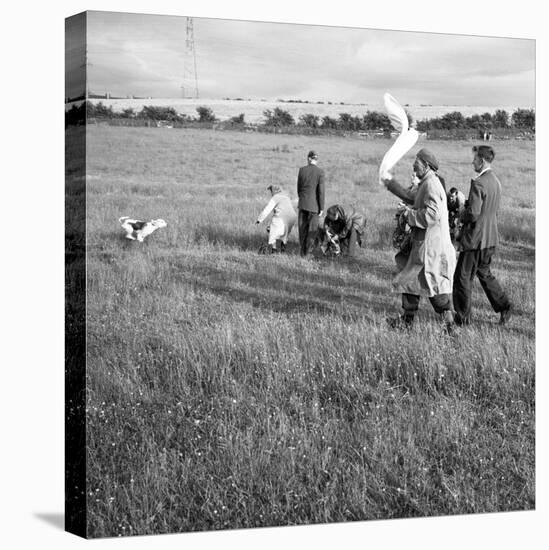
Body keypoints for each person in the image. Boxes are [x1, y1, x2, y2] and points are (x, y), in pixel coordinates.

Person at [382, 148, 456, 331]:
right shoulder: (427, 182)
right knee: (410, 281)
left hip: (431, 248)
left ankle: (450, 325)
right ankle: (406, 322)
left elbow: (432, 215)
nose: (414, 168)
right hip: (424, 246)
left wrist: (409, 214)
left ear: (427, 166)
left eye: (417, 164)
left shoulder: (431, 184)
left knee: (433, 287)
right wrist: (389, 182)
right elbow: (412, 197)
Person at [453, 145, 512, 325]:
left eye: (475, 159)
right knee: (485, 274)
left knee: (462, 278)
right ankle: (505, 307)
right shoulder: (495, 180)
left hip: (475, 240)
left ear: (482, 160)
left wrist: (462, 209)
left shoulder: (479, 182)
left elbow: (473, 213)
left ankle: (463, 319)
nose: (473, 161)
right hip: (491, 238)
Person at [297, 150, 325, 257]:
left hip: (303, 204)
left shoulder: (302, 170)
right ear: (316, 159)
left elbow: (299, 188)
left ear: (309, 158)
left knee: (302, 229)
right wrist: (321, 207)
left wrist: (302, 199)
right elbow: (321, 192)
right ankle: (308, 253)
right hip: (314, 207)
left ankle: (302, 252)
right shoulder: (320, 172)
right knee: (312, 231)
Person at [255, 184, 297, 253]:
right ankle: (283, 250)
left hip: (282, 216)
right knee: (285, 234)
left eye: (271, 191)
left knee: (271, 231)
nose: (271, 193)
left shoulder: (275, 197)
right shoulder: (286, 197)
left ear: (274, 191)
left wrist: (259, 220)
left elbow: (267, 209)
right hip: (292, 217)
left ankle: (274, 250)